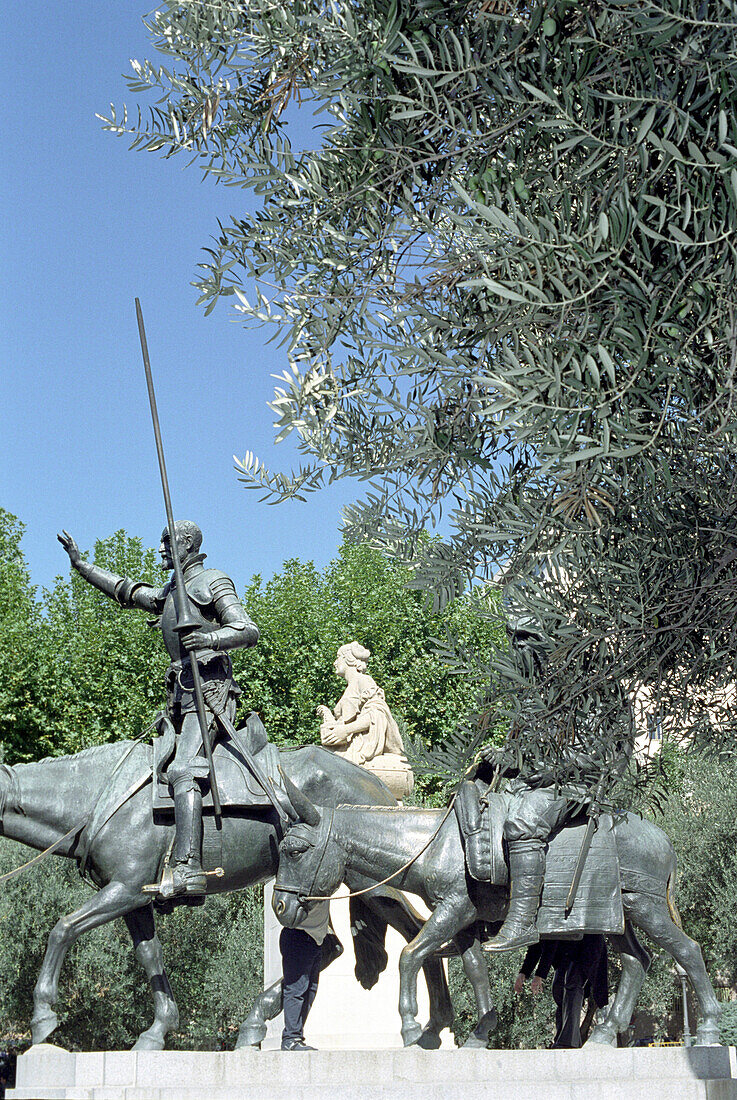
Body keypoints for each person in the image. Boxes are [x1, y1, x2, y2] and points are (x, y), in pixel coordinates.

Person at [58, 521, 258, 898]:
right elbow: (128, 591)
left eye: (167, 542)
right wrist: (83, 567)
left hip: (210, 695)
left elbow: (247, 629)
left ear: (187, 545)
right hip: (180, 699)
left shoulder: (212, 581)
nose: (161, 548)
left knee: (184, 768)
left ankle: (189, 868)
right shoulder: (170, 591)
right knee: (151, 773)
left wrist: (209, 637)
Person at [317, 643, 405, 767]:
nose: (335, 662)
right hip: (347, 743)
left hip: (359, 746)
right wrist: (328, 717)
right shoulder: (349, 687)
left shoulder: (363, 680)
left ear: (349, 659)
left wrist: (345, 730)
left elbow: (377, 713)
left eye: (338, 657)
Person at [516, 935, 608, 1048]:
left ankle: (568, 1042)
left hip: (585, 947)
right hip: (565, 953)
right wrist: (524, 973)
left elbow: (551, 942)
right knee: (558, 990)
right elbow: (537, 944)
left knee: (572, 985)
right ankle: (563, 1037)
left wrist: (539, 975)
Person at [279, 899, 331, 1051]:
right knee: (296, 990)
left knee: (310, 992)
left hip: (315, 940)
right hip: (299, 936)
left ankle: (296, 1036)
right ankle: (290, 1039)